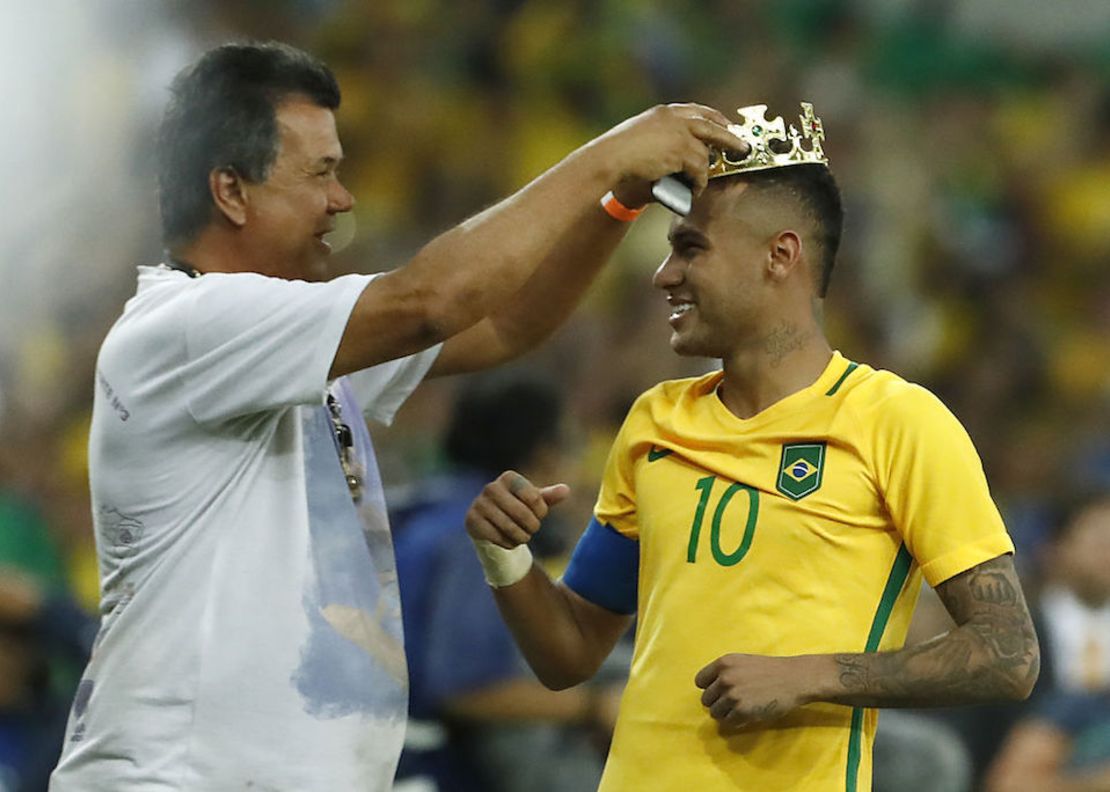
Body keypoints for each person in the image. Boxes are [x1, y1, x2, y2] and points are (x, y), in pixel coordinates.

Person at [48, 41, 745, 791]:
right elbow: (431, 302)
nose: (342, 199)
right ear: (230, 192)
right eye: (320, 173)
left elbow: (505, 324)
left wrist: (619, 201)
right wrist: (607, 157)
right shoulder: (185, 327)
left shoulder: (293, 337)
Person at [462, 103, 1041, 790]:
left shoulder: (897, 421)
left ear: (781, 255)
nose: (663, 275)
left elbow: (1007, 653)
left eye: (691, 248)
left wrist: (813, 674)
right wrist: (507, 558)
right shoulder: (655, 420)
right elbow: (571, 653)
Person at [392, 373, 623, 792]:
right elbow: (467, 690)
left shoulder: (430, 505)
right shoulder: (476, 536)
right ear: (543, 455)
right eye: (569, 448)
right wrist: (597, 706)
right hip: (427, 770)